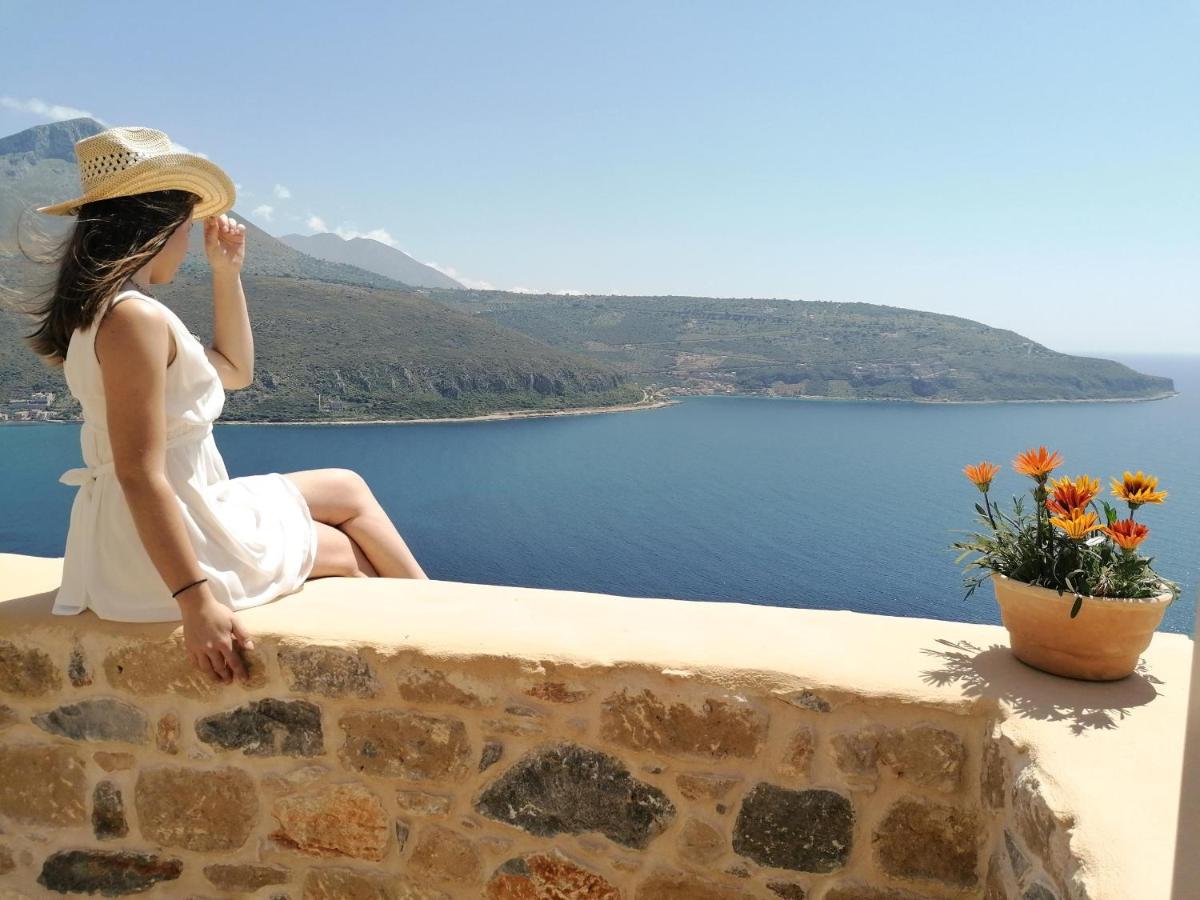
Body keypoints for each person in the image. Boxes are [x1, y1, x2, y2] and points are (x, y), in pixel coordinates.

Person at [27, 126, 428, 685]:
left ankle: (433, 612)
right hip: (163, 549)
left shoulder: (112, 309)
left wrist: (226, 273)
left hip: (179, 513)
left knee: (346, 487)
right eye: (187, 226)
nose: (188, 241)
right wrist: (196, 601)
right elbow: (138, 473)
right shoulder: (133, 318)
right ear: (162, 225)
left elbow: (236, 371)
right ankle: (433, 628)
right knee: (345, 550)